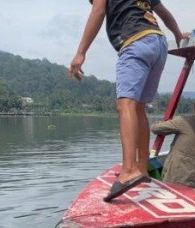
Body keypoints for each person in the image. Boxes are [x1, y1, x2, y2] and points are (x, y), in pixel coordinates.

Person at [68, 0, 188, 202]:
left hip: (135, 40)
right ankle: (142, 168)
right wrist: (177, 35)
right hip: (158, 43)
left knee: (125, 105)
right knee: (139, 107)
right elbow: (164, 14)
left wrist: (81, 52)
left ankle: (129, 169)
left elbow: (98, 11)